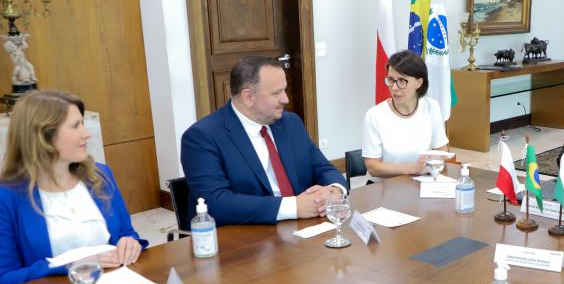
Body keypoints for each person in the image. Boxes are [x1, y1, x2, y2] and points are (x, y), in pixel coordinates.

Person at [0, 91, 146, 284]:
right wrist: (67, 266)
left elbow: (126, 233)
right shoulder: (1, 197)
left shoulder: (100, 175)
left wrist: (130, 242)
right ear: (43, 136)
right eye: (76, 126)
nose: (86, 133)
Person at [180, 55, 347, 225]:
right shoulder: (202, 137)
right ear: (248, 97)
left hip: (299, 229)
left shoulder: (291, 123)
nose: (286, 99)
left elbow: (323, 167)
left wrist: (334, 191)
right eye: (276, 93)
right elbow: (216, 203)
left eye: (284, 90)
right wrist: (293, 207)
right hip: (242, 237)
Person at [362, 50, 450, 182]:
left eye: (402, 81)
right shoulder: (374, 115)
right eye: (391, 80)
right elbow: (373, 167)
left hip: (421, 182)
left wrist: (434, 164)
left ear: (419, 83)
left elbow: (442, 149)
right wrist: (412, 168)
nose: (394, 88)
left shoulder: (432, 107)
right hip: (383, 188)